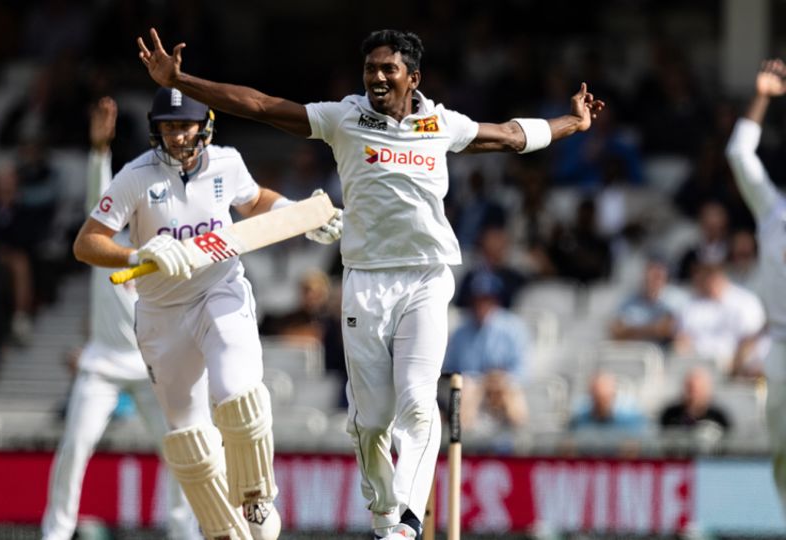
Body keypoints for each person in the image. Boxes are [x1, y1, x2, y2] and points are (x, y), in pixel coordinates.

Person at [136, 27, 604, 539]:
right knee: (370, 425)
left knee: (418, 406)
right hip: (364, 282)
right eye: (370, 70)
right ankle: (384, 512)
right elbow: (264, 106)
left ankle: (404, 524)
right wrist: (182, 81)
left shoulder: (439, 123)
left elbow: (512, 135)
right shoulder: (344, 117)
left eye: (388, 70)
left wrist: (572, 123)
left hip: (427, 277)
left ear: (413, 77)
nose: (377, 78)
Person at [72, 88, 342, 540]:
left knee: (237, 393)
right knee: (188, 438)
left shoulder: (226, 162)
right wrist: (140, 251)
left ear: (205, 126)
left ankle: (255, 499)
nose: (178, 136)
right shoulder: (134, 177)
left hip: (220, 289)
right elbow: (86, 243)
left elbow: (253, 201)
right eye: (169, 127)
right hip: (161, 312)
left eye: (185, 126)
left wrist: (298, 215)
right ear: (157, 130)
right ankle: (223, 530)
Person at [43, 98, 200, 540]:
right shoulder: (108, 248)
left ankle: (183, 531)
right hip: (103, 363)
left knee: (181, 451)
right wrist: (99, 151)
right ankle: (55, 533)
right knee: (74, 447)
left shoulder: (172, 247)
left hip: (155, 370)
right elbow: (99, 195)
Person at [724, 58, 786, 517]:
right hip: (782, 348)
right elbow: (739, 155)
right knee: (783, 454)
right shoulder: (773, 212)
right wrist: (763, 94)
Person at [609, 256, 687, 348]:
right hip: (634, 353)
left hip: (665, 354)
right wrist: (654, 329)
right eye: (650, 275)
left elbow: (667, 329)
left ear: (665, 277)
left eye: (657, 276)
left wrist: (631, 330)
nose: (653, 280)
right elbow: (616, 332)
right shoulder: (628, 301)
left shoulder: (675, 297)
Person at [659, 367, 730, 436]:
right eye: (690, 388)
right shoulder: (670, 415)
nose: (693, 394)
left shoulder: (718, 417)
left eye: (699, 389)